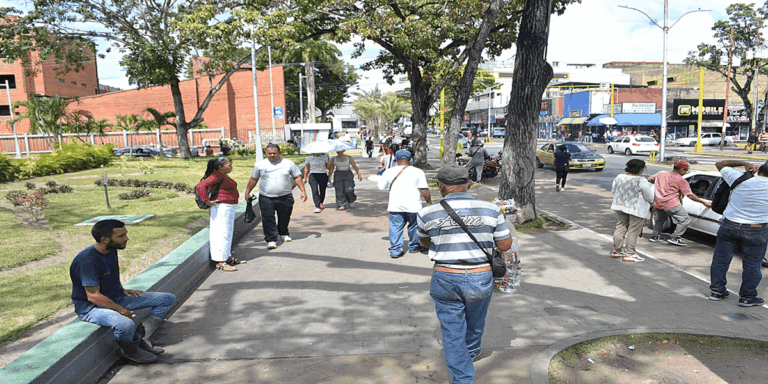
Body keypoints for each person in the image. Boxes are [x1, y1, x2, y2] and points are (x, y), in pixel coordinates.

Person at [416, 165, 512, 384]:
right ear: (469, 183)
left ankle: (462, 375)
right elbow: (505, 245)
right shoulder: (492, 209)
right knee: (476, 321)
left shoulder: (426, 213)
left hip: (445, 277)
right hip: (480, 276)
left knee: (452, 331)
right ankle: (468, 354)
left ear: (440, 187)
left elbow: (423, 241)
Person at [70, 220, 176, 364]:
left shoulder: (111, 250)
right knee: (126, 324)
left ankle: (141, 339)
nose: (127, 238)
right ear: (105, 239)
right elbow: (93, 296)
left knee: (167, 299)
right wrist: (121, 310)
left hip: (117, 298)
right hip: (92, 308)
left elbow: (111, 274)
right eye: (121, 236)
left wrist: (122, 290)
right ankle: (130, 351)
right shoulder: (87, 261)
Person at [708, 160, 768, 306]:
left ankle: (717, 291)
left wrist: (744, 163)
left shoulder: (738, 177)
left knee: (720, 260)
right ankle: (747, 297)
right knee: (752, 264)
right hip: (756, 229)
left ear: (759, 169)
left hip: (729, 225)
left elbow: (720, 164)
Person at [244, 144, 307, 250]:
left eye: (274, 153)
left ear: (279, 153)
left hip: (285, 196)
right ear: (266, 153)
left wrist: (303, 191)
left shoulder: (288, 163)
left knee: (285, 216)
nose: (272, 155)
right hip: (266, 196)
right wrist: (247, 191)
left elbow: (297, 177)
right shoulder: (260, 164)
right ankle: (271, 239)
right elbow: (253, 179)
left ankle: (283, 233)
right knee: (268, 218)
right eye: (269, 153)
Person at [377, 150, 431, 258]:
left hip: (395, 205)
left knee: (395, 227)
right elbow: (424, 189)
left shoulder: (388, 172)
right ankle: (414, 246)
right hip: (414, 206)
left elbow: (381, 186)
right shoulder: (418, 172)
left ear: (396, 159)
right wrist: (429, 203)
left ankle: (395, 250)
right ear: (410, 159)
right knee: (414, 227)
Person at [647, 161, 711, 246]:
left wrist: (659, 185)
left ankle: (655, 236)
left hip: (658, 202)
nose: (686, 172)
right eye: (686, 170)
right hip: (671, 204)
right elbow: (690, 195)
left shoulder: (661, 173)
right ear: (681, 169)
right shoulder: (681, 180)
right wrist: (703, 202)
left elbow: (650, 179)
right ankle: (675, 238)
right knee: (685, 220)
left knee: (660, 219)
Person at [196, 157, 243, 271]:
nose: (231, 167)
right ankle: (220, 262)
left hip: (228, 207)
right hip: (222, 207)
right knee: (221, 233)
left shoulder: (222, 175)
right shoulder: (217, 175)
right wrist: (207, 200)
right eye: (229, 165)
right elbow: (200, 186)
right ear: (221, 166)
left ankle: (227, 258)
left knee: (227, 233)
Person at [610, 159, 655, 263]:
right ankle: (630, 254)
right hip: (636, 208)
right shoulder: (641, 180)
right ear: (640, 169)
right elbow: (649, 196)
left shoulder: (619, 177)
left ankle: (616, 251)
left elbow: (614, 190)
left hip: (620, 206)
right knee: (633, 231)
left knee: (620, 227)